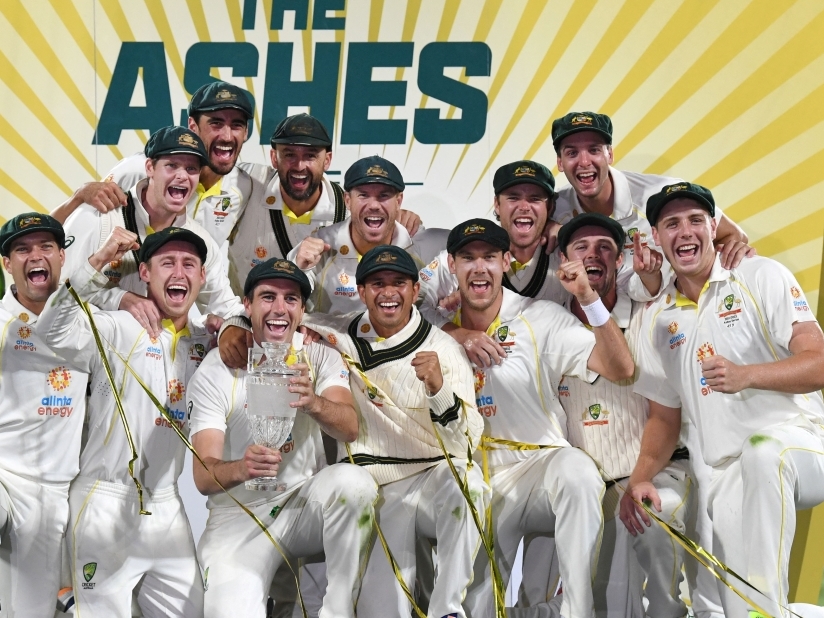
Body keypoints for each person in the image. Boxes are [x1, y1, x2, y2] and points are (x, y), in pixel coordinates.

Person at [622, 182, 824, 618]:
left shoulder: (760, 275)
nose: (685, 231)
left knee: (763, 452)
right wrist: (638, 479)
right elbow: (663, 416)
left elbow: (819, 363)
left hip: (800, 446)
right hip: (722, 475)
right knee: (738, 607)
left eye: (696, 219)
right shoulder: (659, 320)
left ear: (715, 227)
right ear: (656, 237)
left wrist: (748, 375)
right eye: (671, 223)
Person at [437, 218, 633, 618]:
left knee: (578, 471)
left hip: (542, 465)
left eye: (490, 257)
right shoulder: (435, 331)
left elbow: (621, 368)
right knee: (478, 607)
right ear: (451, 265)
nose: (480, 268)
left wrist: (588, 298)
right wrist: (457, 335)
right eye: (468, 258)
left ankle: (580, 611)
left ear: (507, 261)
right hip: (482, 482)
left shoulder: (539, 316)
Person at [37, 225, 215, 616]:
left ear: (203, 276)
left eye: (190, 263)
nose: (179, 272)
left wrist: (232, 326)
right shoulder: (117, 327)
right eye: (167, 262)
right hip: (104, 501)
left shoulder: (207, 341)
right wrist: (98, 263)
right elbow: (50, 331)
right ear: (146, 273)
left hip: (168, 508)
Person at [301, 245, 486, 618]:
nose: (388, 292)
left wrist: (438, 390)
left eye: (398, 283)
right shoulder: (339, 332)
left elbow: (466, 443)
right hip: (375, 490)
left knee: (469, 483)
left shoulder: (443, 350)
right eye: (377, 283)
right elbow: (274, 315)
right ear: (362, 290)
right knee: (385, 611)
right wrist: (233, 328)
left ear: (415, 290)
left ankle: (447, 610)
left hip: (432, 479)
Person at [187, 257, 377, 617]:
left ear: (302, 310)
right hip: (240, 516)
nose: (279, 309)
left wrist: (314, 403)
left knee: (354, 484)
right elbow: (202, 475)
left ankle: (338, 612)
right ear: (247, 305)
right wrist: (243, 468)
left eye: (291, 299)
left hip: (302, 504)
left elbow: (349, 428)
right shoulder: (218, 368)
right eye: (268, 297)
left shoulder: (318, 357)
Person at [550, 213, 692, 618]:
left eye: (605, 248)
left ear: (619, 261)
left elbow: (666, 416)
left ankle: (669, 612)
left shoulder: (649, 317)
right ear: (564, 260)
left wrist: (639, 479)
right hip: (587, 489)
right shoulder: (547, 323)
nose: (593, 255)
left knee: (653, 517)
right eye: (581, 247)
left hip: (653, 475)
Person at [59, 125, 244, 338]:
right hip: (86, 358)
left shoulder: (200, 240)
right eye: (172, 166)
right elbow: (55, 291)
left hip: (153, 363)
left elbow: (227, 308)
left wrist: (232, 328)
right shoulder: (97, 217)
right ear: (149, 168)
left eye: (191, 169)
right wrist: (118, 299)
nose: (182, 176)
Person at [550, 111, 751, 299]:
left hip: (669, 318)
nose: (584, 161)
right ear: (560, 163)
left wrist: (732, 253)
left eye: (594, 150)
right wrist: (548, 227)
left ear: (609, 155)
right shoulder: (554, 207)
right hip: (599, 317)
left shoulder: (663, 193)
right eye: (572, 153)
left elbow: (734, 235)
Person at [0, 214, 89, 617]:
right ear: (7, 264)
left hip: (53, 491)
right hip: (3, 474)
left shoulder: (87, 322)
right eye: (22, 249)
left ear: (62, 256)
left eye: (46, 247)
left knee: (29, 611)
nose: (36, 255)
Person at [418, 160, 568, 335]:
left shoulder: (565, 256)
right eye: (513, 197)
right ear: (497, 204)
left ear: (549, 207)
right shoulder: (463, 254)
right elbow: (413, 301)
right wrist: (456, 332)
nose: (524, 207)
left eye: (535, 199)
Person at [289, 155, 447, 315]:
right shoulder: (320, 245)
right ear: (348, 200)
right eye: (363, 195)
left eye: (383, 196)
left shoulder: (426, 246)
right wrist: (311, 325)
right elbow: (284, 303)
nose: (373, 205)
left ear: (398, 201)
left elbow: (467, 262)